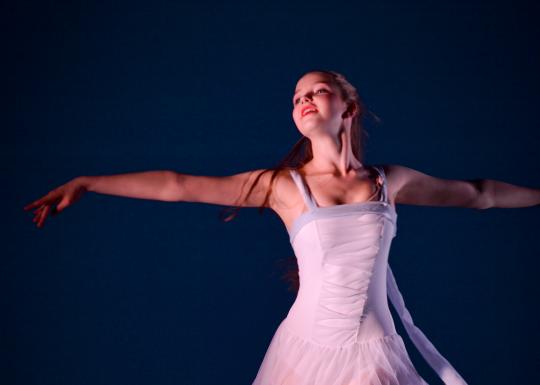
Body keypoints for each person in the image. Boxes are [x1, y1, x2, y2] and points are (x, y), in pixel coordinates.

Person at [24, 70, 539, 385]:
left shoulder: (389, 181)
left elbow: (480, 195)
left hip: (373, 353)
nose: (305, 99)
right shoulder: (282, 187)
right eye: (297, 97)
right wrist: (89, 181)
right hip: (304, 349)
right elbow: (178, 184)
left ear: (348, 107)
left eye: (318, 91)